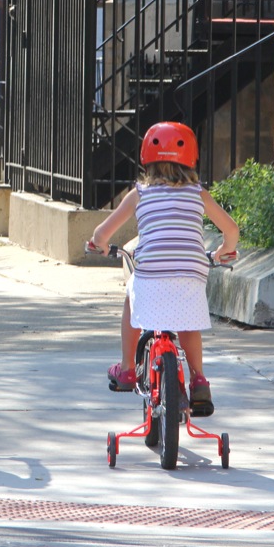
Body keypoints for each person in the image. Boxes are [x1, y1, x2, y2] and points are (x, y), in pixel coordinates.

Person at [87, 121, 239, 418]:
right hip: (191, 273)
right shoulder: (199, 193)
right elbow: (231, 230)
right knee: (187, 325)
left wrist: (100, 244)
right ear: (192, 158)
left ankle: (128, 369)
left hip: (151, 273)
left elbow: (102, 233)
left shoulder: (139, 193)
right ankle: (198, 379)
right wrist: (223, 251)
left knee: (132, 298)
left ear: (147, 157)